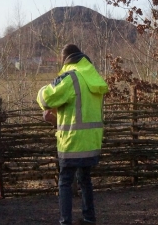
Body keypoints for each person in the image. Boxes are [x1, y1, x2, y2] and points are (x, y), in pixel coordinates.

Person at [36, 44, 109, 225]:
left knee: (65, 182)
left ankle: (65, 221)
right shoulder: (93, 77)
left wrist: (43, 89)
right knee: (85, 180)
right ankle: (89, 218)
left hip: (72, 142)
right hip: (92, 141)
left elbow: (46, 98)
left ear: (65, 60)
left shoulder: (71, 77)